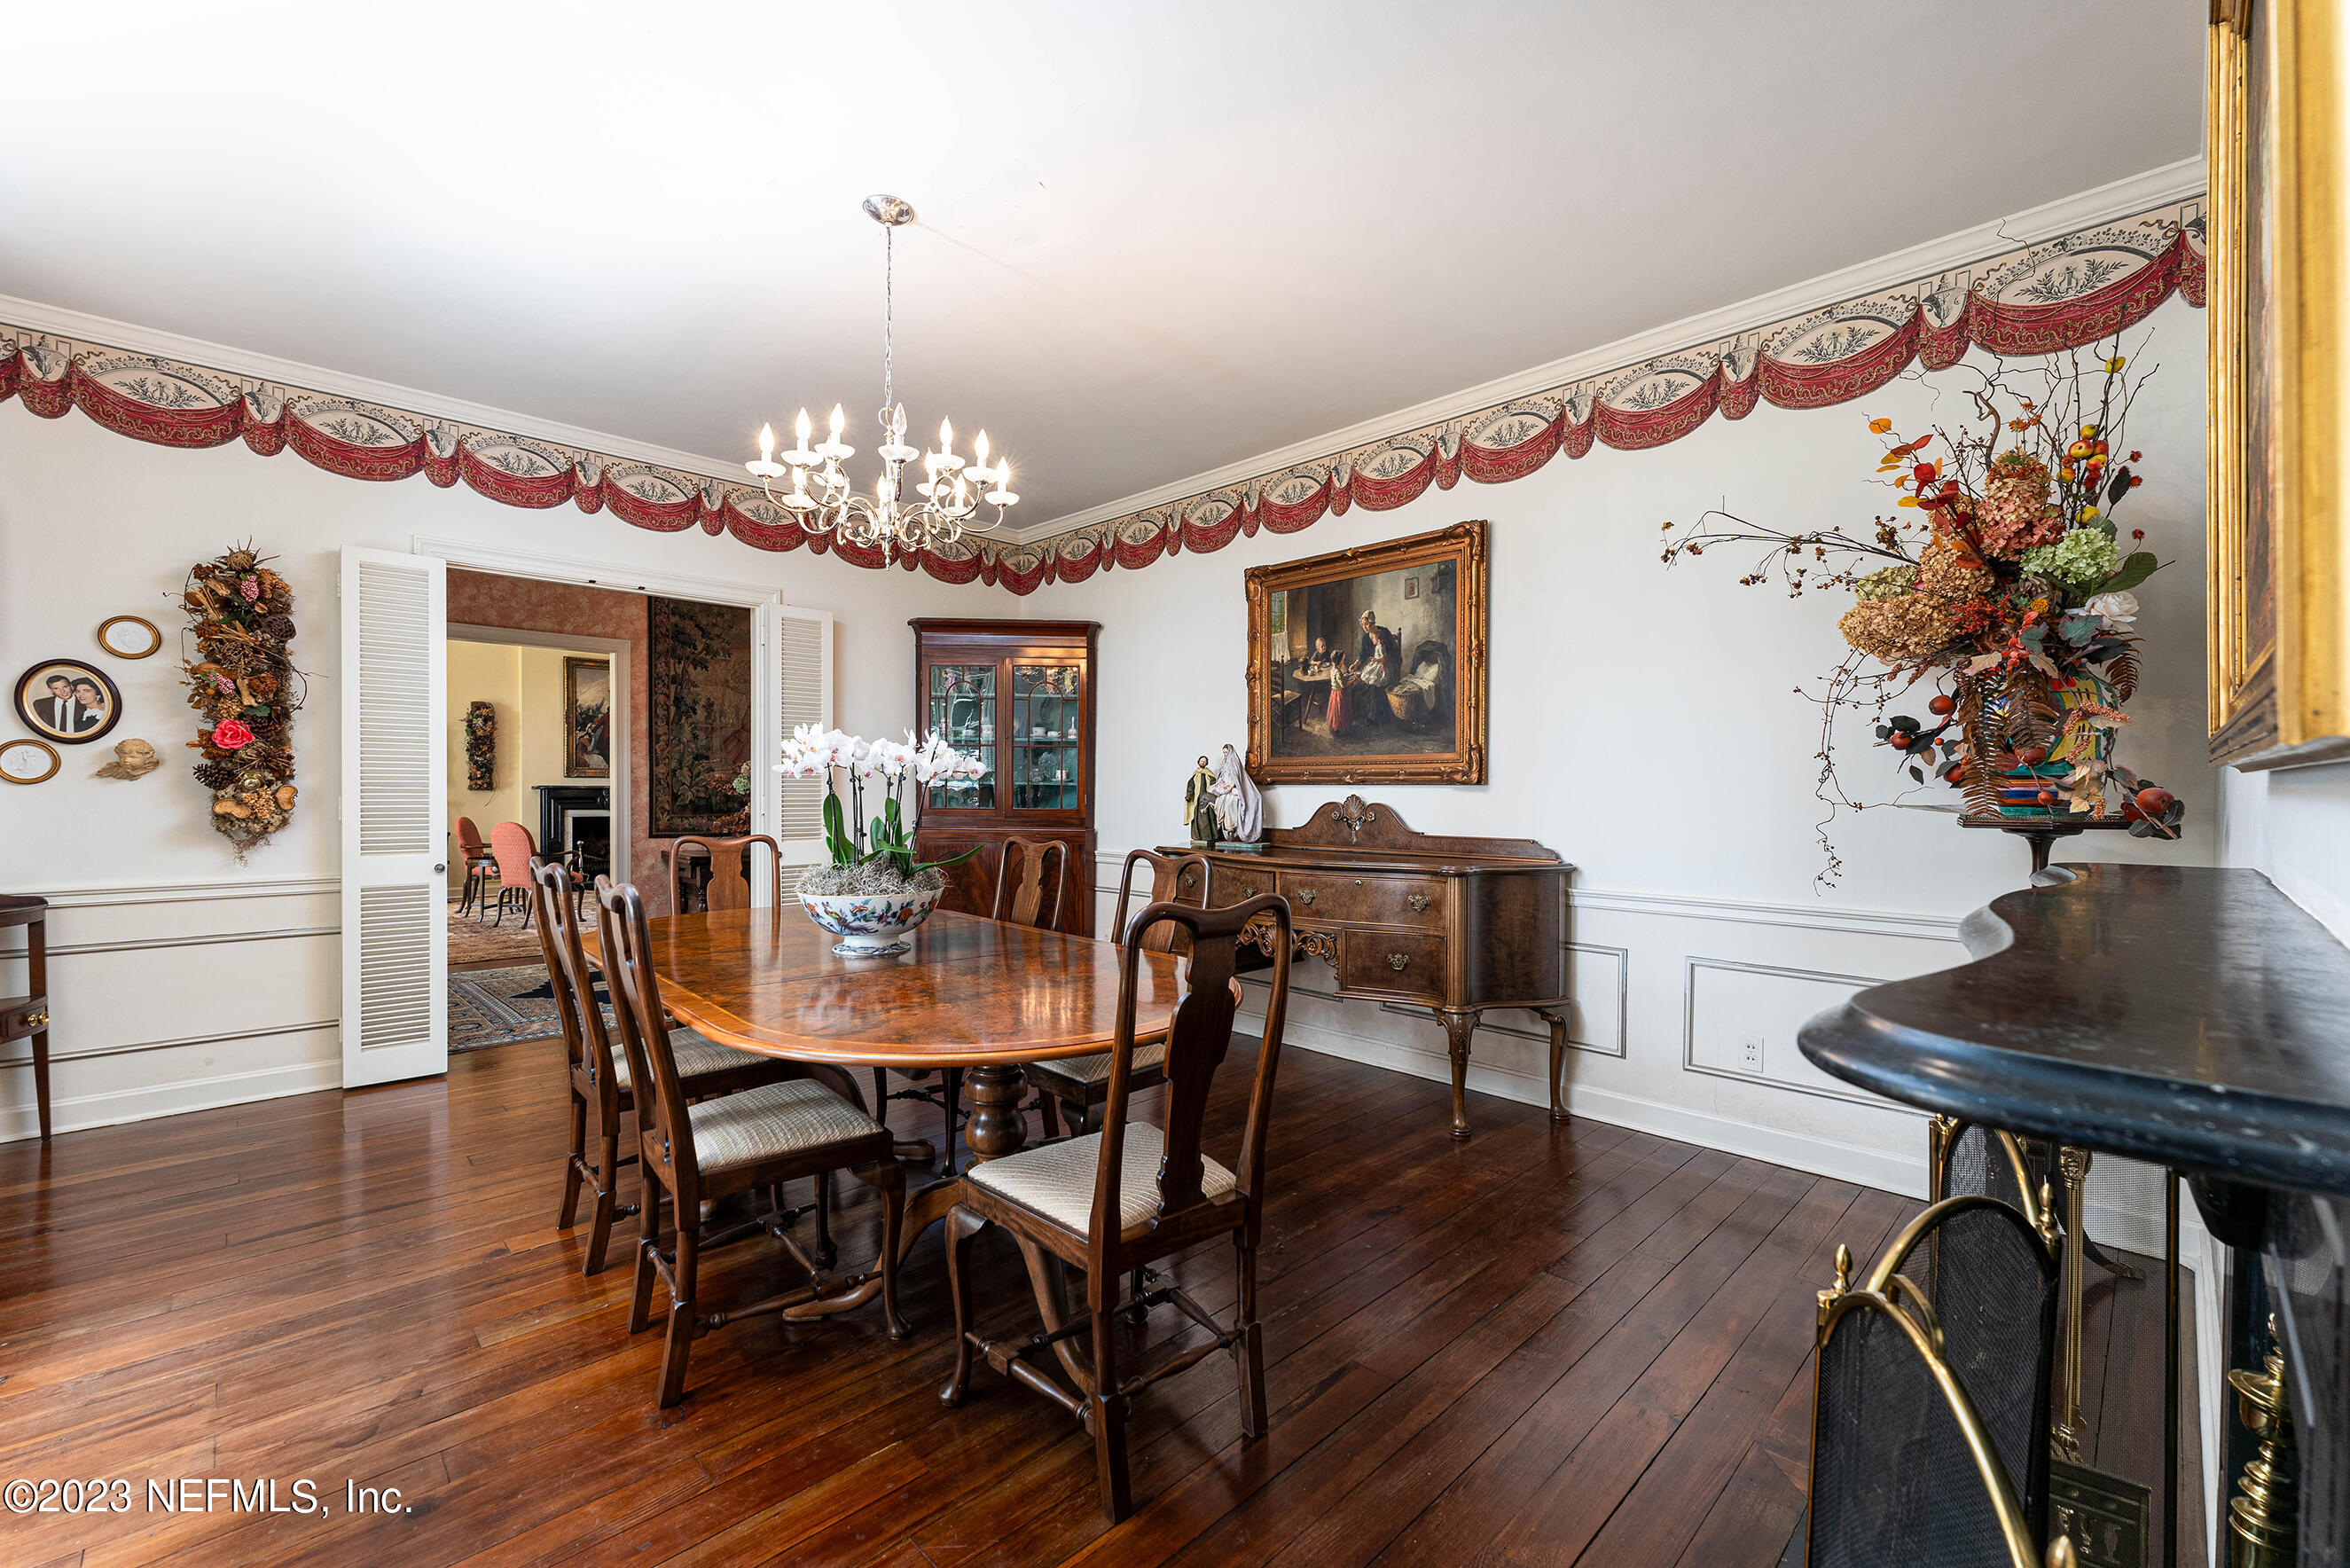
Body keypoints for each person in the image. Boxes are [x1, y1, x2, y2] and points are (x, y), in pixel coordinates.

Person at [1353, 611, 1401, 726]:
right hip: (1373, 667)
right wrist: (1356, 664)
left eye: (1366, 624)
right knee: (1358, 684)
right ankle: (1361, 714)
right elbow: (1363, 654)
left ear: (1372, 622)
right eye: (1363, 624)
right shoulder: (1366, 637)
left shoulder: (1384, 632)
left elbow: (1395, 653)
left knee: (1374, 687)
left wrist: (1386, 661)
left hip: (1387, 666)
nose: (1364, 627)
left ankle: (1373, 718)